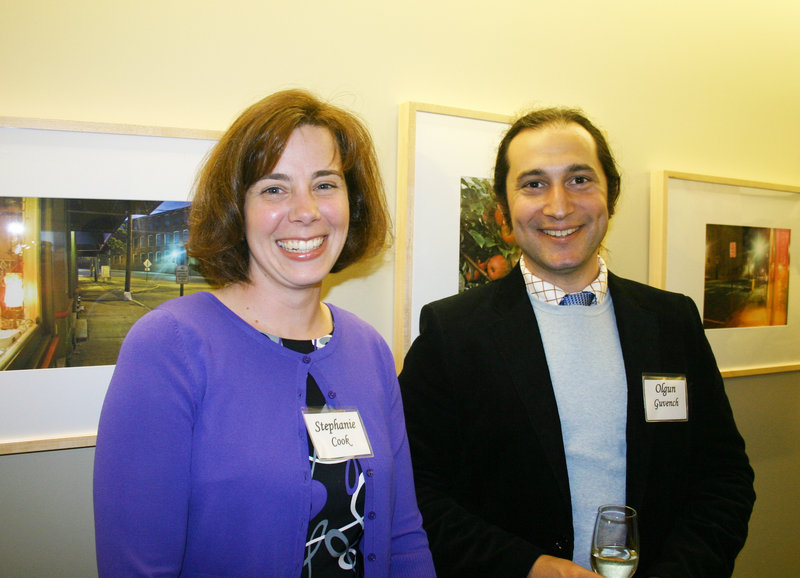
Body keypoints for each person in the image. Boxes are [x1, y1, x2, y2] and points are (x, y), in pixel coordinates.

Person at [398, 107, 755, 577]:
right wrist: (528, 567)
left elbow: (723, 479)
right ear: (504, 209)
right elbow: (418, 492)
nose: (559, 206)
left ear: (612, 193)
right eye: (533, 184)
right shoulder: (453, 332)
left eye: (580, 179)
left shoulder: (672, 321)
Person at [94, 89, 435, 577]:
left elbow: (403, 537)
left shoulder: (370, 349)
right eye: (274, 189)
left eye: (325, 184)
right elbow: (138, 568)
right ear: (237, 208)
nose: (306, 211)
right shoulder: (170, 347)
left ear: (351, 200)